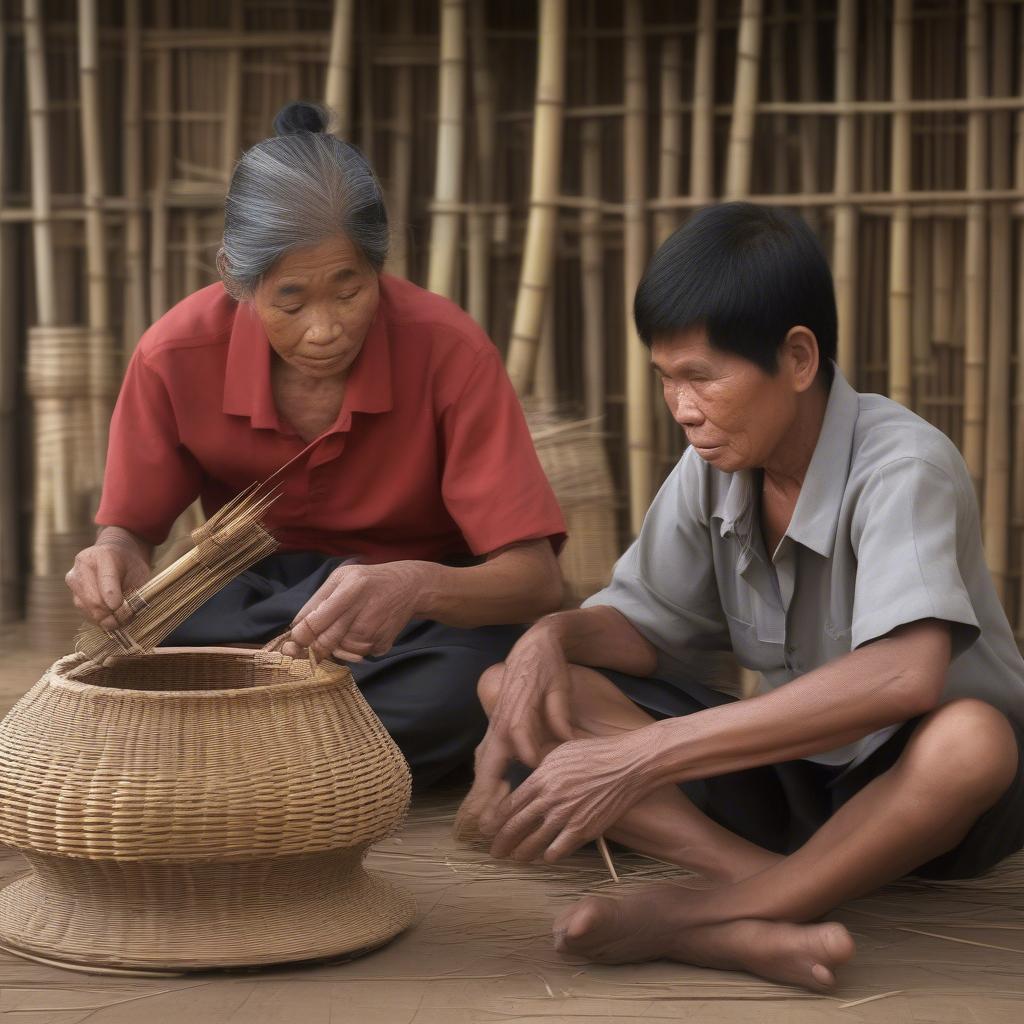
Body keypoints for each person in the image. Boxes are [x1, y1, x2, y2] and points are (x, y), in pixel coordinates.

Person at [461, 202, 1024, 991]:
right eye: (665, 379)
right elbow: (642, 630)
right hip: (792, 777)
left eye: (702, 377)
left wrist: (642, 754)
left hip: (928, 801)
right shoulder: (714, 466)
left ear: (797, 359)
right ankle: (759, 902)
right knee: (509, 686)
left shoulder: (905, 466)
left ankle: (687, 917)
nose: (683, 410)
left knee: (974, 740)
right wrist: (544, 640)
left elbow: (907, 676)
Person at [65, 101, 566, 788]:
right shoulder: (174, 354)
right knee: (140, 656)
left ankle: (213, 751)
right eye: (292, 302)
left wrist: (412, 586)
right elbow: (128, 534)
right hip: (249, 610)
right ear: (235, 277)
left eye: (350, 289)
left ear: (380, 266)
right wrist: (111, 559)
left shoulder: (448, 350)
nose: (325, 329)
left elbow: (536, 581)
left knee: (465, 688)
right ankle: (313, 759)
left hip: (407, 626)